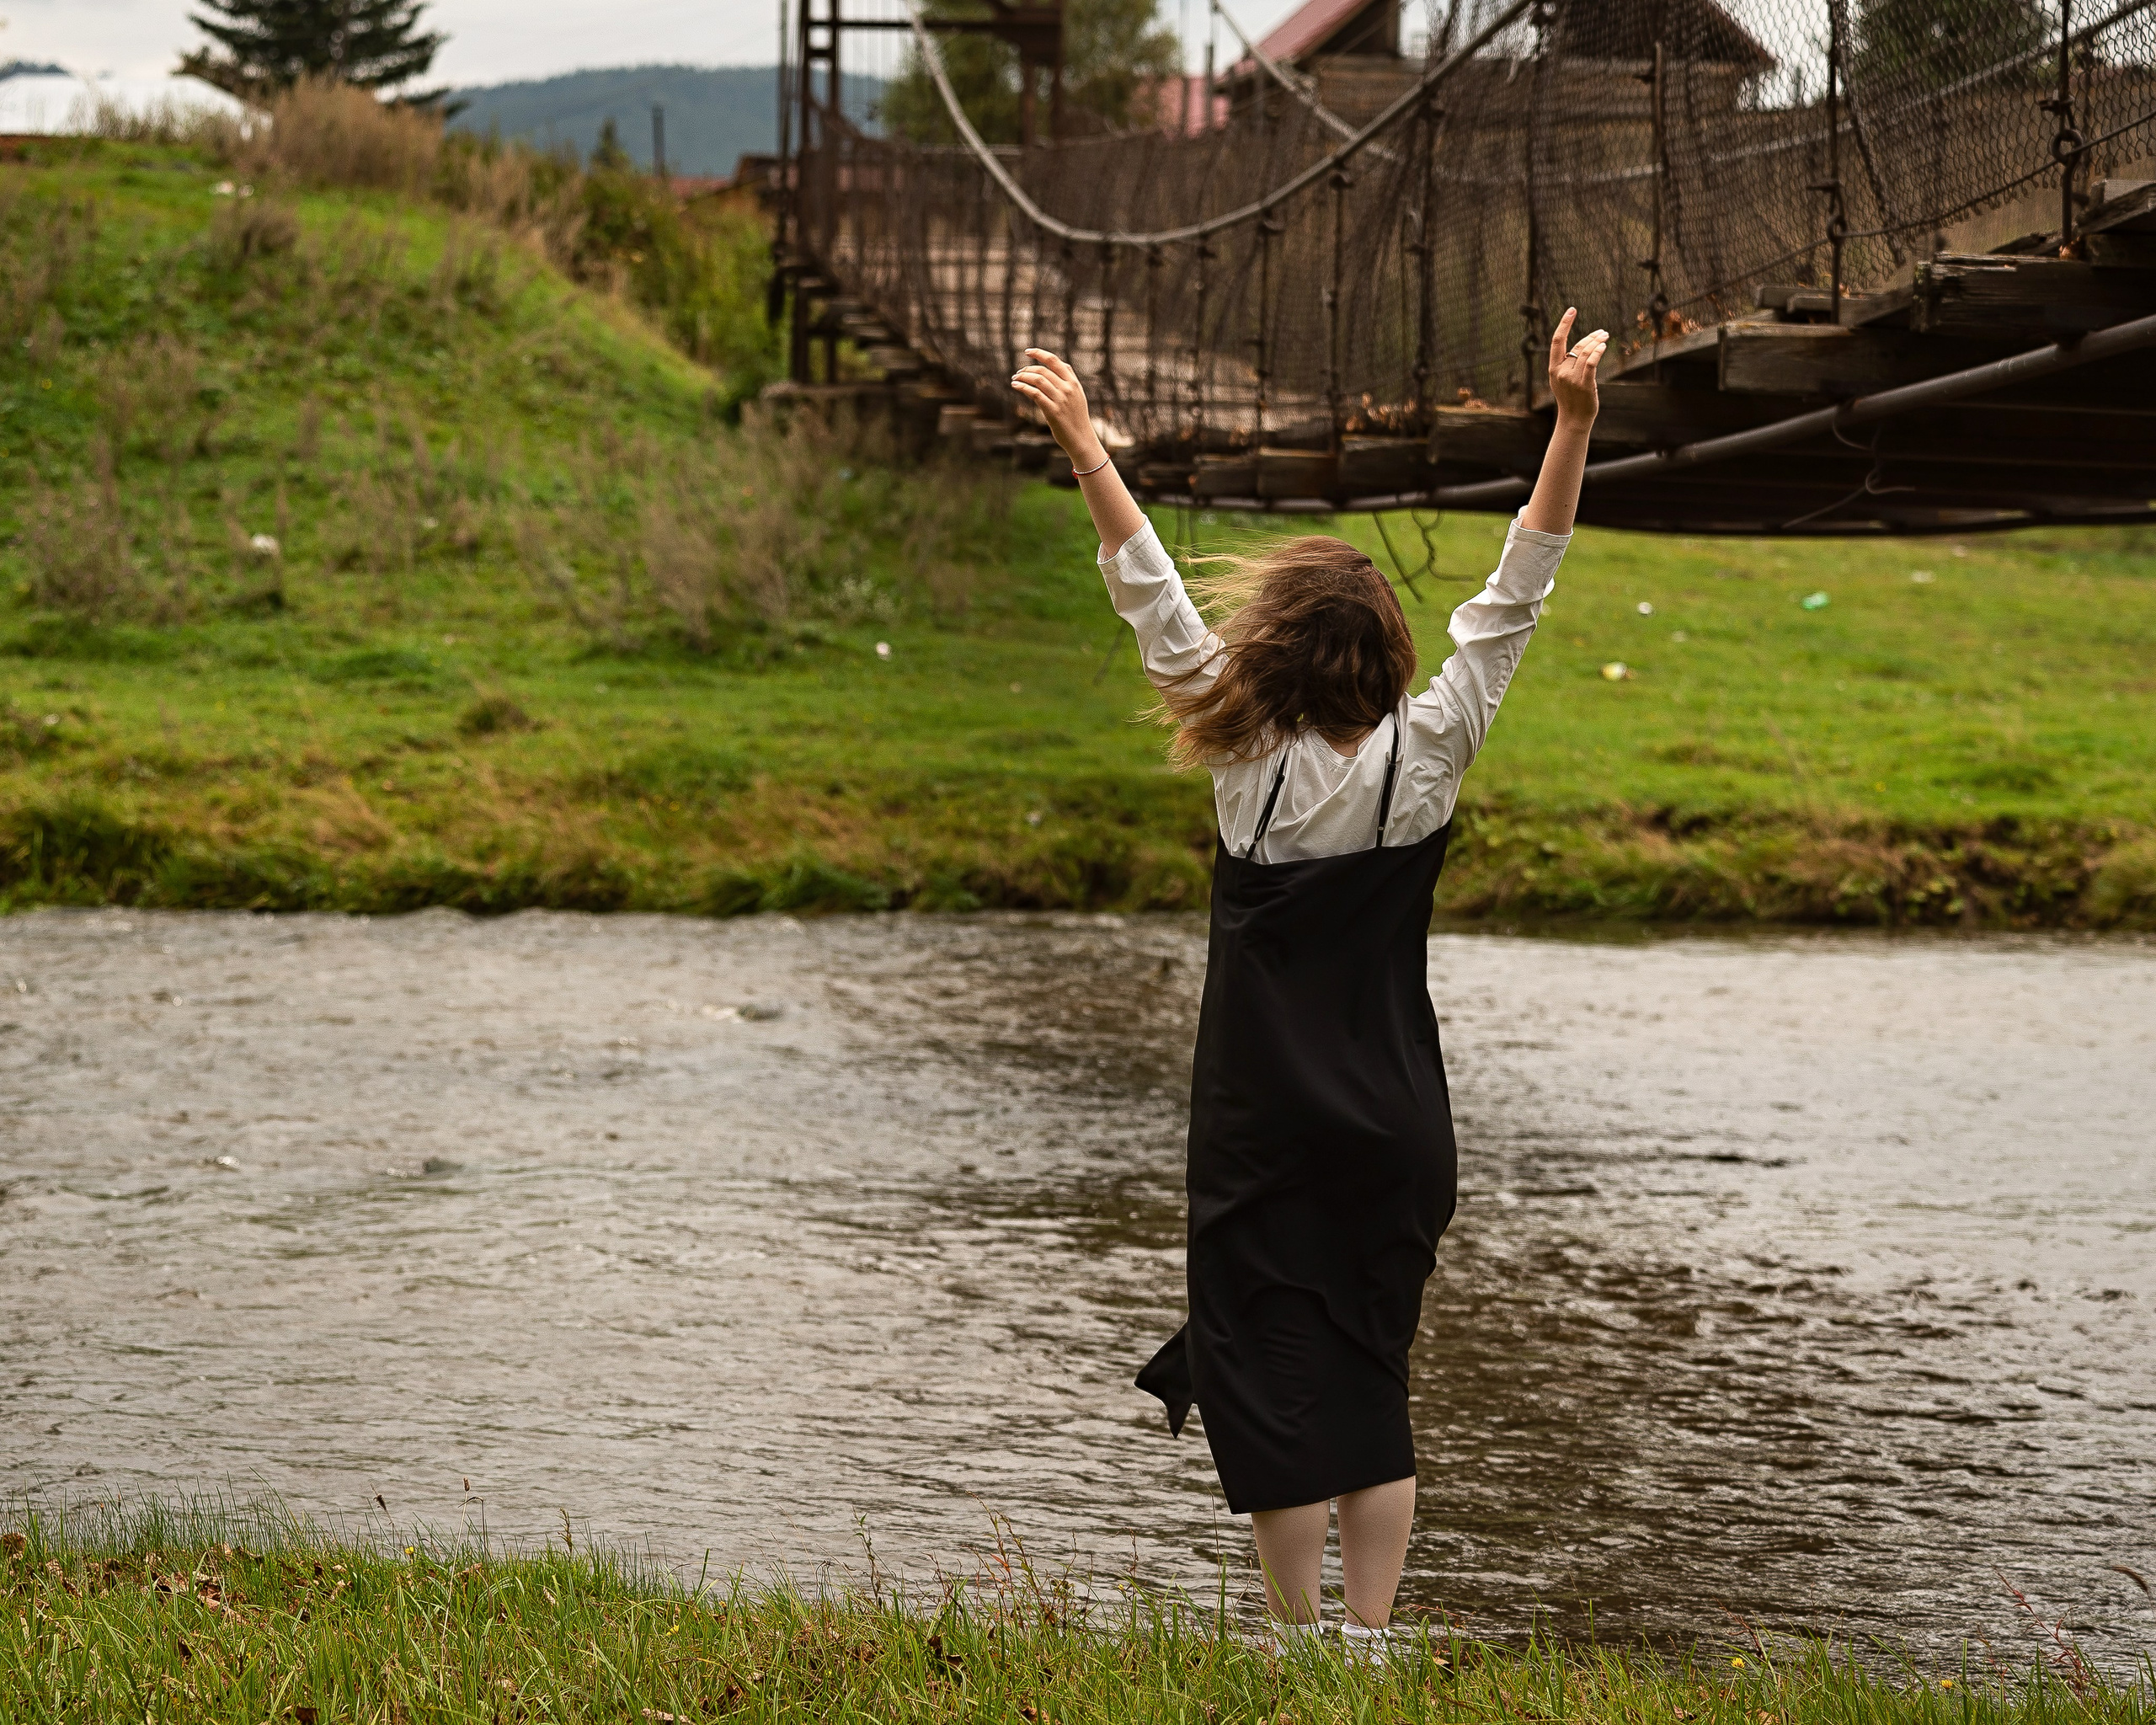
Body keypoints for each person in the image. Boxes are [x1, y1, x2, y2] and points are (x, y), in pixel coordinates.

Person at [1011, 310, 1607, 1652]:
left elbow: (1152, 597)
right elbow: (1517, 593)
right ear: (1390, 656)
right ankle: (1370, 1648)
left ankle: (1291, 1649)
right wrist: (1570, 426)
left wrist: (1089, 448)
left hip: (1265, 1133)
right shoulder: (1432, 753)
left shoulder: (1246, 760)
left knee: (1272, 1386)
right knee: (1367, 1380)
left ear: (1276, 650)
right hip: (1398, 1130)